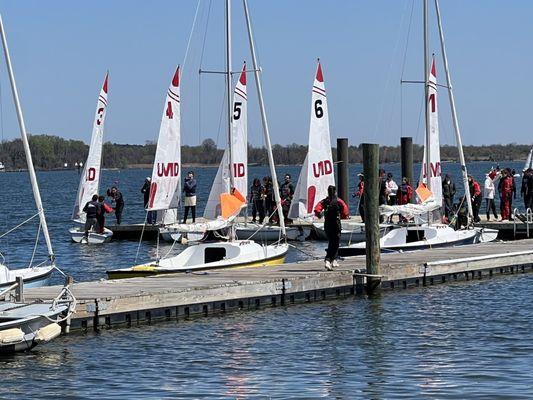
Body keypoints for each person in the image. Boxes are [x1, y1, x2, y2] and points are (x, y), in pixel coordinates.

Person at [314, 185, 349, 271]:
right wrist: (344, 216)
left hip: (327, 225)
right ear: (335, 192)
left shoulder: (324, 201)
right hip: (336, 224)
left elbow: (317, 209)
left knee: (332, 242)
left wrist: (319, 215)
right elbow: (345, 211)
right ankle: (328, 260)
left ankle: (333, 260)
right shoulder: (339, 201)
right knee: (335, 243)